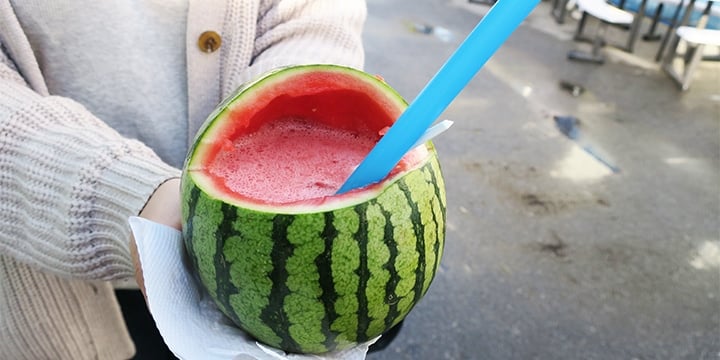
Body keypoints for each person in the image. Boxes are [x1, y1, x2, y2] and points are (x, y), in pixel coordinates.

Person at [0, 1, 367, 358]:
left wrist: (295, 128)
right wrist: (120, 194)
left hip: (263, 271)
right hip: (59, 288)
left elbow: (314, 18)